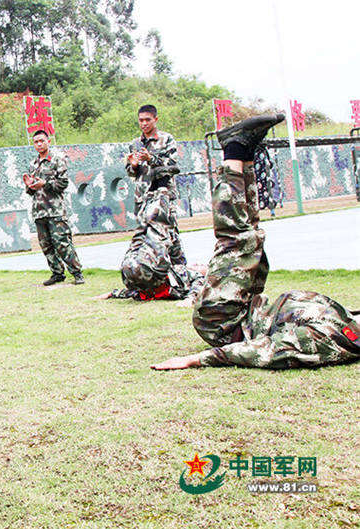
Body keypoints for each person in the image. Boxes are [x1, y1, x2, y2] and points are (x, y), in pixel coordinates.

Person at [152, 114, 360, 370]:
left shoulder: (333, 339)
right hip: (248, 304)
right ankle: (245, 152)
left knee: (237, 239)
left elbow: (265, 351)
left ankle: (234, 149)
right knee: (252, 234)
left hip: (223, 318)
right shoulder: (352, 322)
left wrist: (196, 359)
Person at [93, 187, 204, 306]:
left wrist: (189, 300)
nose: (198, 263)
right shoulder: (180, 269)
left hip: (150, 272)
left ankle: (161, 197)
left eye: (201, 265)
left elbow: (198, 286)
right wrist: (112, 294)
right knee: (145, 232)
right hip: (137, 272)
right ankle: (153, 199)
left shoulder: (193, 277)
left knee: (155, 230)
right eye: (200, 263)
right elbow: (133, 292)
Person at [124, 104, 185, 265]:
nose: (144, 123)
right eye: (141, 120)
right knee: (143, 235)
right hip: (142, 196)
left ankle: (180, 269)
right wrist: (134, 165)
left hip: (163, 194)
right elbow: (130, 172)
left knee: (170, 234)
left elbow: (172, 165)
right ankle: (149, 272)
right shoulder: (135, 143)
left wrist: (151, 158)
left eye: (147, 120)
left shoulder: (166, 139)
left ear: (155, 120)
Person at [23, 130, 84, 285]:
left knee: (62, 243)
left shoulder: (57, 159)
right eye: (36, 142)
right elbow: (31, 191)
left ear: (48, 141)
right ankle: (57, 273)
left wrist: (45, 183)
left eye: (41, 141)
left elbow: (63, 183)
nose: (39, 144)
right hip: (39, 211)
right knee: (46, 245)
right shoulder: (33, 164)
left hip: (55, 210)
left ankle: (77, 273)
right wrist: (29, 185)